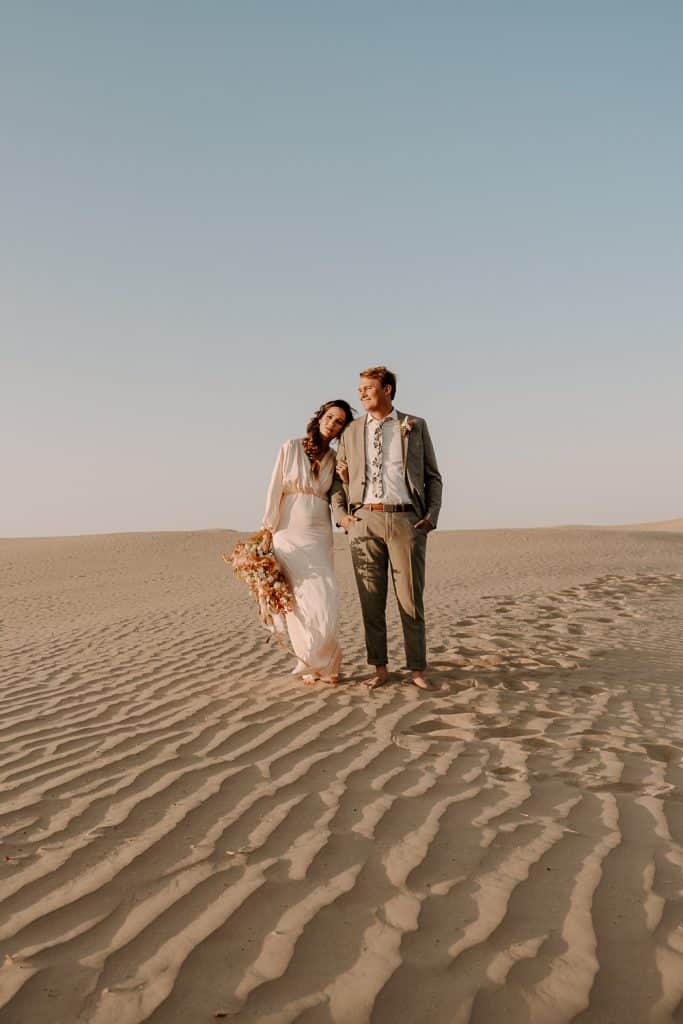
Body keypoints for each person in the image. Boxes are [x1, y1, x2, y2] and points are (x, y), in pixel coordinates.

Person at [331, 367, 442, 690]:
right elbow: (338, 480)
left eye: (368, 388)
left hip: (407, 520)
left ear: (388, 390)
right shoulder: (351, 431)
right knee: (371, 600)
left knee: (410, 599)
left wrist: (431, 516)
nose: (361, 394)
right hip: (365, 520)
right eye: (359, 389)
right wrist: (343, 516)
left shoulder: (414, 426)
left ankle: (417, 668)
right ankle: (379, 668)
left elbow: (433, 476)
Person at [262, 400, 354, 684]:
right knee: (297, 601)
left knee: (324, 596)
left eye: (339, 421)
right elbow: (275, 487)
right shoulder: (290, 447)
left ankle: (326, 661)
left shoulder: (335, 459)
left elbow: (342, 495)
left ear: (341, 429)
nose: (332, 424)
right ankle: (310, 665)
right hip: (288, 530)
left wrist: (347, 477)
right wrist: (267, 528)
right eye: (329, 417)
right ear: (319, 418)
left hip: (319, 532)